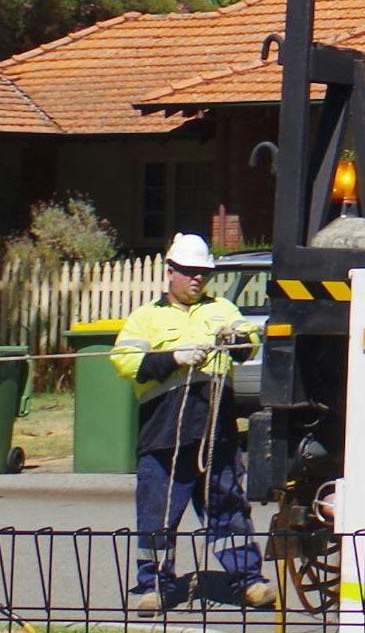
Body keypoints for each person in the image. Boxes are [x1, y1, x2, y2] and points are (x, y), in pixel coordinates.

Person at [110, 233, 274, 613]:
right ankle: (153, 585)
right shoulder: (146, 317)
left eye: (203, 273)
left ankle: (248, 581)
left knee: (227, 507)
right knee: (158, 514)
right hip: (164, 433)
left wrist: (235, 337)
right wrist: (172, 358)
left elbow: (249, 341)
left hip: (215, 431)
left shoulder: (222, 309)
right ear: (170, 272)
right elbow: (124, 361)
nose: (197, 279)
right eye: (189, 272)